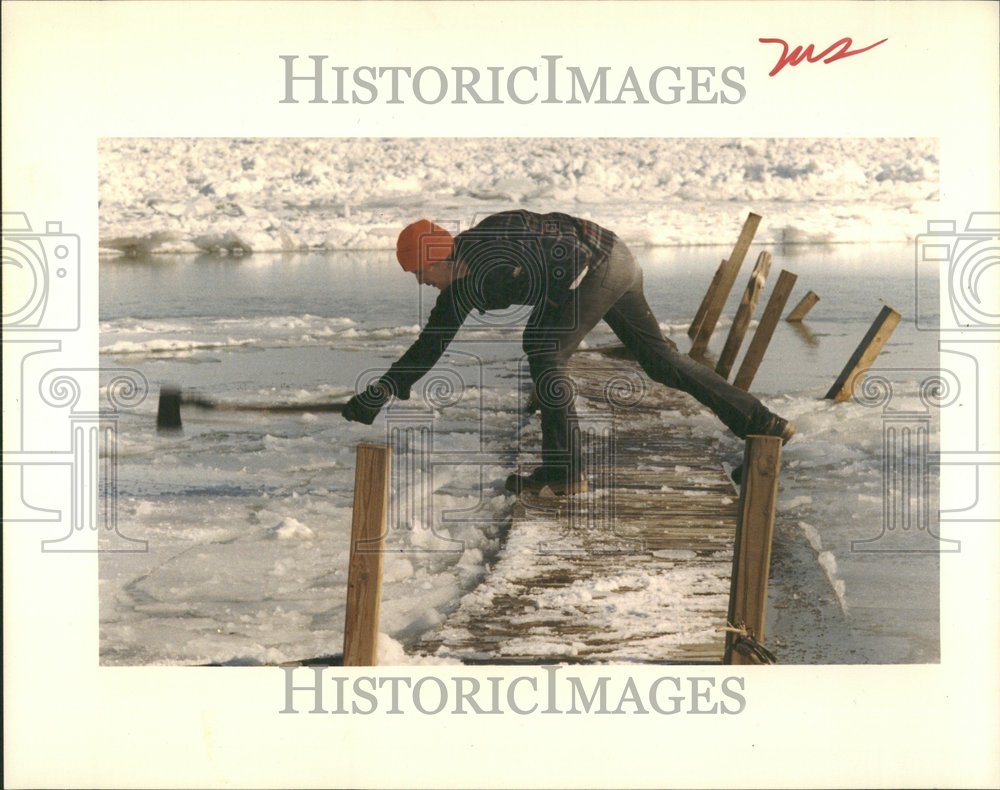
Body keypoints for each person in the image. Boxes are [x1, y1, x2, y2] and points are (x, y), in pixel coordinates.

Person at [342, 210, 794, 495]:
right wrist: (383, 391)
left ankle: (566, 473)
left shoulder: (493, 248)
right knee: (658, 360)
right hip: (614, 260)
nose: (420, 281)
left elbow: (561, 250)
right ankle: (761, 422)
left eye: (420, 271)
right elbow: (431, 344)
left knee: (542, 348)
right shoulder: (460, 287)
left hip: (596, 263)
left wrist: (558, 308)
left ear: (439, 255)